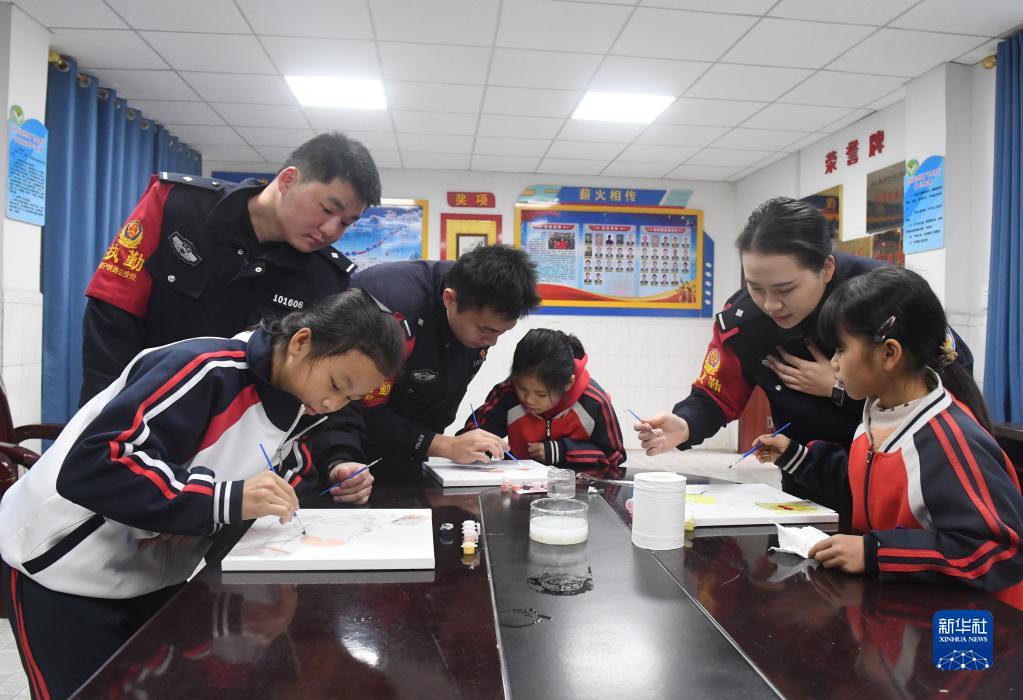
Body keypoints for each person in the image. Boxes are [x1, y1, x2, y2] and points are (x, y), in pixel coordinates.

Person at [0, 289, 405, 699]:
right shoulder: (206, 369)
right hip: (63, 568)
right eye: (335, 384)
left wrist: (203, 513)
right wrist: (216, 501)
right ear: (301, 342)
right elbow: (91, 465)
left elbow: (268, 490)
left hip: (152, 577)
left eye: (349, 399)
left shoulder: (301, 405)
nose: (332, 403)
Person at [635, 197, 973, 499]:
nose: (770, 304)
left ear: (826, 269)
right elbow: (717, 393)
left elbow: (947, 375)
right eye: (755, 287)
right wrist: (686, 423)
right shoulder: (744, 319)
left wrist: (839, 389)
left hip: (897, 474)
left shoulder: (882, 298)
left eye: (785, 289)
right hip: (806, 472)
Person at [752, 267, 1023, 593]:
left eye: (840, 349)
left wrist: (876, 553)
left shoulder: (947, 440)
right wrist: (796, 457)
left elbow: (998, 550)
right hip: (896, 602)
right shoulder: (876, 416)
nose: (833, 363)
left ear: (889, 354)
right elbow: (870, 487)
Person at [344, 244, 540, 472]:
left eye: (501, 333)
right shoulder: (396, 318)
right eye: (485, 330)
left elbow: (445, 394)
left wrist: (441, 445)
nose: (492, 341)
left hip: (408, 445)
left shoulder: (475, 314)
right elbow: (366, 408)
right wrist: (443, 445)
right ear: (449, 300)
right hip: (348, 444)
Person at [462, 329, 625, 479]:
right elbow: (472, 435)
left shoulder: (593, 401)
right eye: (522, 388)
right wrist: (476, 446)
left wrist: (561, 450)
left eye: (541, 394)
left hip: (576, 489)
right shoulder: (508, 393)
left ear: (568, 383)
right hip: (520, 485)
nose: (529, 399)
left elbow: (614, 456)